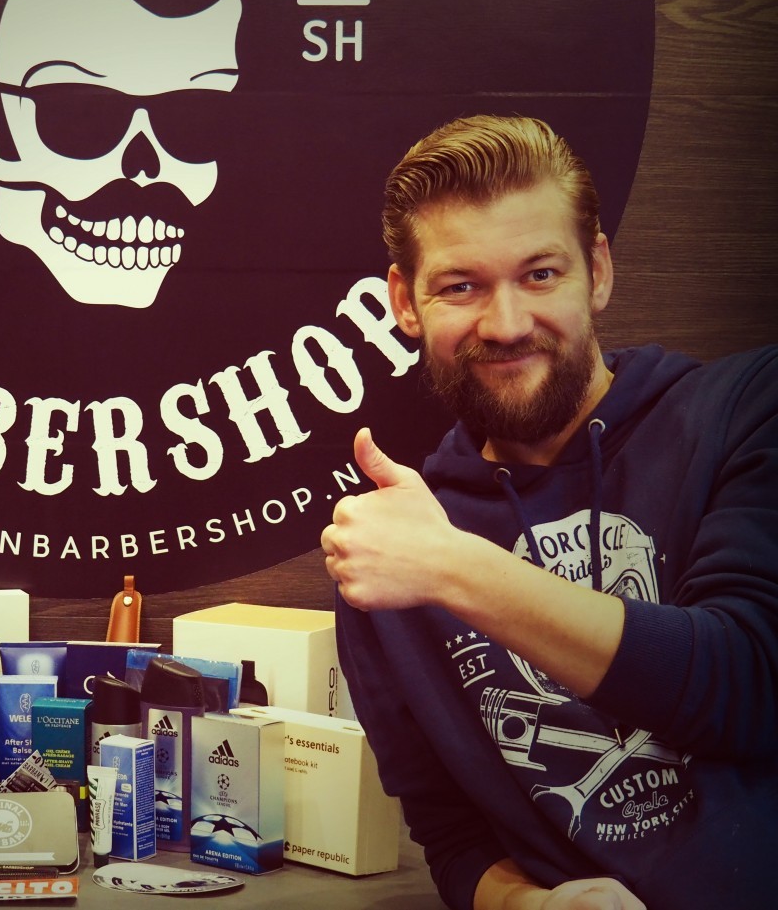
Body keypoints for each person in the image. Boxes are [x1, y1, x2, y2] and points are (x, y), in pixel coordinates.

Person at [321, 115, 777, 910]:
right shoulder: (394, 551)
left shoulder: (745, 408)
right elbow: (452, 834)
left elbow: (750, 684)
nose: (505, 324)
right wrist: (530, 904)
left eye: (539, 274)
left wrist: (458, 570)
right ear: (404, 302)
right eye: (461, 286)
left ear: (596, 271)